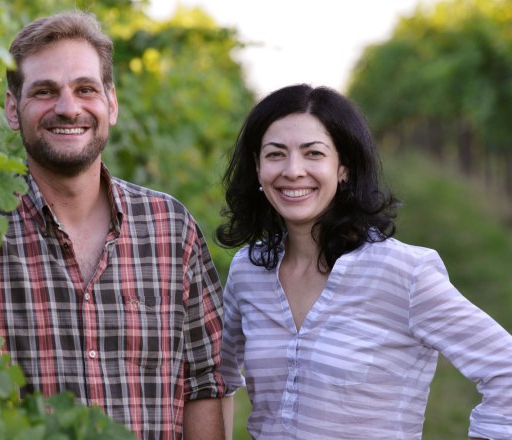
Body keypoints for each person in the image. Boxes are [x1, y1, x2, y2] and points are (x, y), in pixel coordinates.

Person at [0, 11, 226, 440]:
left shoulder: (171, 229)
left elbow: (205, 383)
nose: (68, 108)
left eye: (85, 89)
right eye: (45, 91)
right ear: (12, 108)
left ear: (111, 104)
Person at [215, 84, 512, 439]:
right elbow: (218, 379)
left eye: (313, 154)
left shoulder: (404, 272)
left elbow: (504, 370)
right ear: (257, 166)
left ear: (344, 167)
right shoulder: (248, 271)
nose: (293, 170)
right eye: (276, 154)